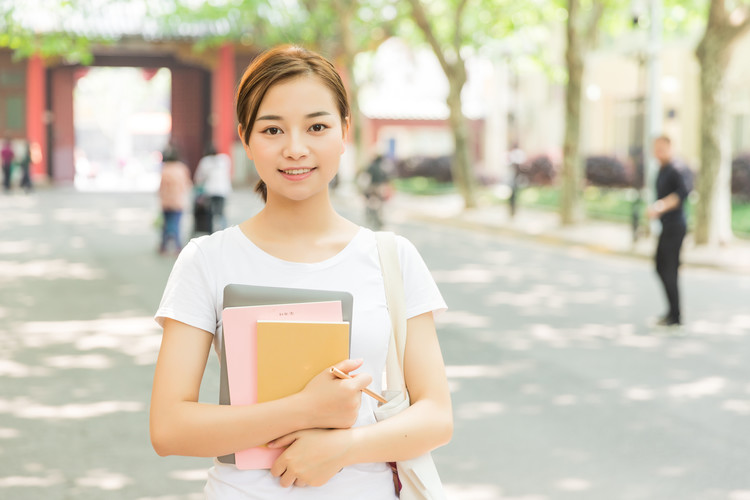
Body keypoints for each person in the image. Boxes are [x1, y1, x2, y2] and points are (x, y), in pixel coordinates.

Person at [150, 45, 452, 499]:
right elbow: (170, 428)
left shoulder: (392, 256)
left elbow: (436, 415)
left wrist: (344, 448)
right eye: (272, 129)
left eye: (317, 126)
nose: (296, 148)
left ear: (344, 131)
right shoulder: (207, 260)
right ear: (246, 138)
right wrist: (304, 409)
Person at [647, 135, 689, 327]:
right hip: (667, 226)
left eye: (662, 148)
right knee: (660, 267)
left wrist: (660, 206)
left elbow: (682, 193)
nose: (658, 152)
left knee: (668, 269)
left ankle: (675, 317)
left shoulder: (677, 168)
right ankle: (672, 313)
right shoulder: (661, 169)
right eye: (655, 148)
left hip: (676, 226)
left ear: (670, 148)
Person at [157, 145, 192, 255]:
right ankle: (177, 246)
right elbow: (187, 184)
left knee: (166, 224)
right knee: (176, 224)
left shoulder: (165, 169)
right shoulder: (182, 168)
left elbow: (161, 186)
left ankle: (163, 246)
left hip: (166, 202)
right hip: (178, 201)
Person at [194, 143, 233, 232]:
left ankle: (211, 233)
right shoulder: (224, 159)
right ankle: (224, 232)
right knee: (221, 213)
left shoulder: (205, 161)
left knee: (210, 214)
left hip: (210, 191)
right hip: (223, 190)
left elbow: (198, 178)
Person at [358, 154, 393, 230]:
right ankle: (379, 219)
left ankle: (371, 216)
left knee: (371, 202)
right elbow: (387, 178)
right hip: (381, 188)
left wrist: (363, 188)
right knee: (380, 204)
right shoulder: (383, 167)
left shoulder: (371, 167)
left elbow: (366, 178)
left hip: (372, 187)